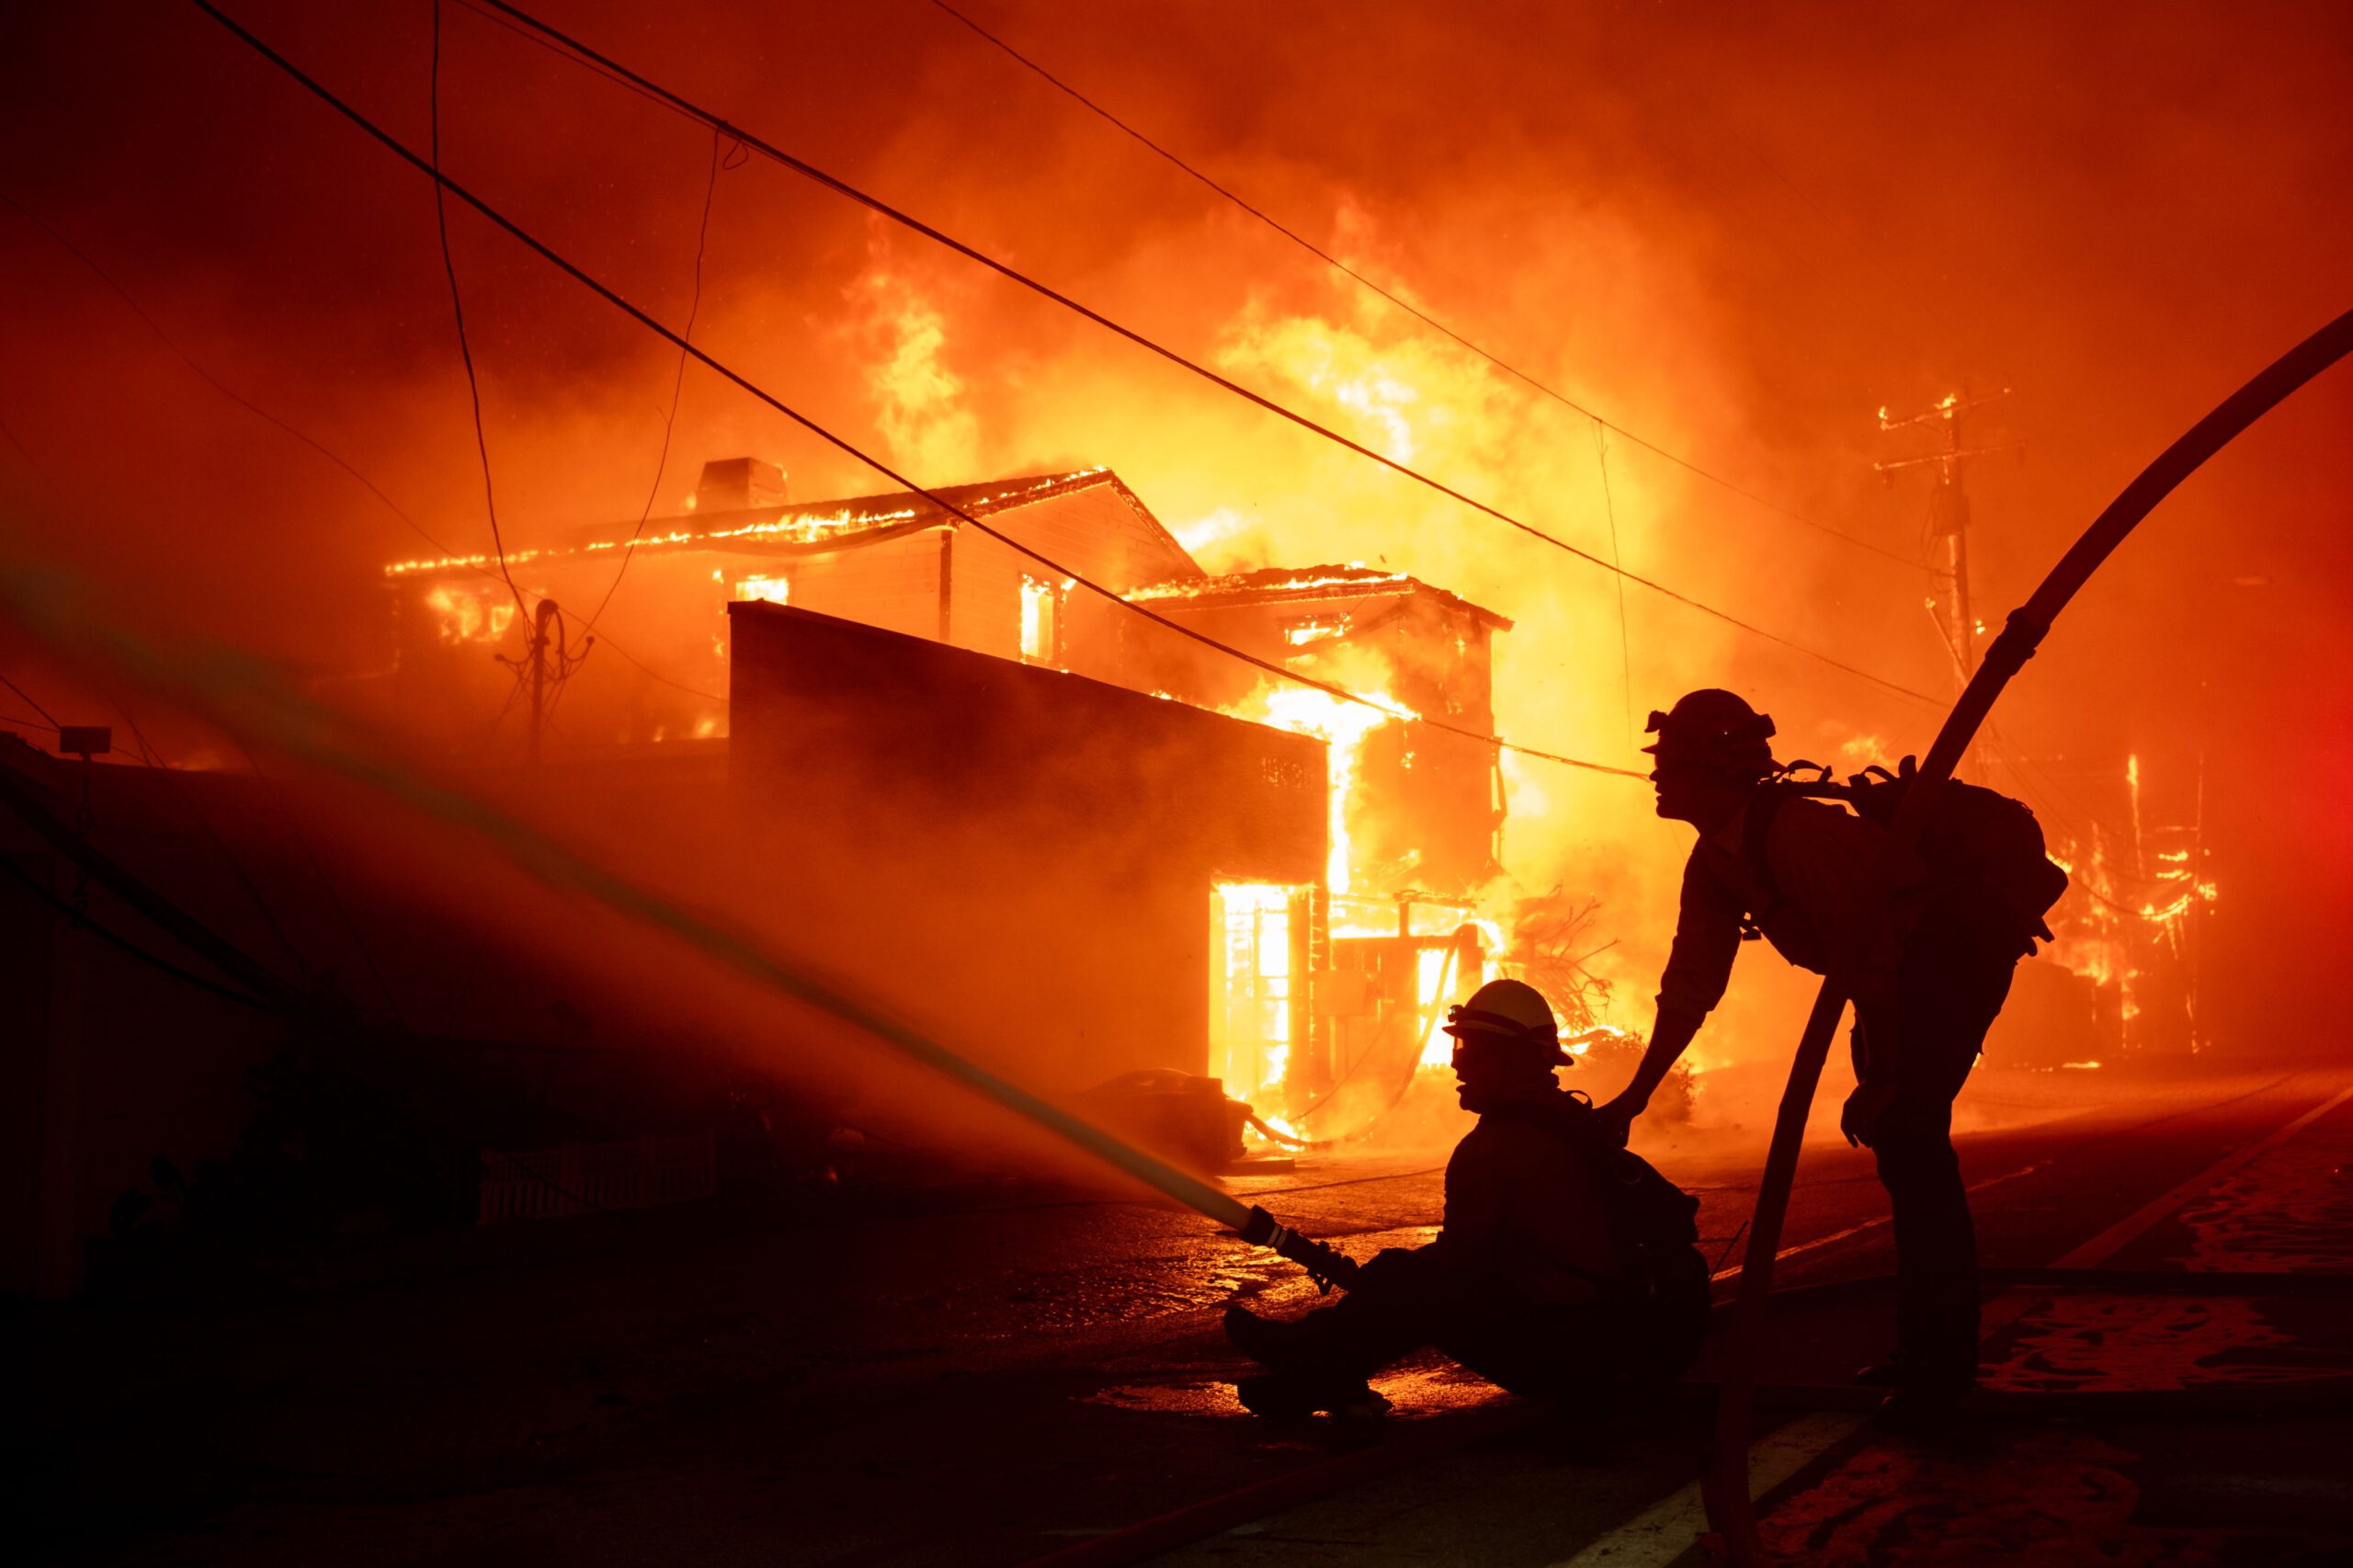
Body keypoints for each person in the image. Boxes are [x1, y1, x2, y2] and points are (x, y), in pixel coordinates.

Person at [1595, 688, 2020, 1426]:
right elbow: (1692, 983)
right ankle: (1927, 1355)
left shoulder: (1797, 836)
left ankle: (1942, 1374)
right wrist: (1637, 1095)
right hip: (1890, 982)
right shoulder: (1718, 858)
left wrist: (1888, 1078)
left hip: (1943, 971)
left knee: (1913, 1147)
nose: (1657, 777)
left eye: (1671, 763)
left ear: (1716, 771)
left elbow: (1885, 958)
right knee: (1903, 1151)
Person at [1223, 979, 1710, 1418]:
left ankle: (1308, 1361)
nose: (1456, 1061)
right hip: (1621, 1345)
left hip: (1574, 1354)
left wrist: (1381, 1284)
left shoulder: (1494, 1148)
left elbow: (1460, 1268)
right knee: (1407, 1277)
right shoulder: (1572, 1122)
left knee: (1410, 1279)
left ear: (1511, 1059)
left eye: (1470, 1047)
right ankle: (1313, 1374)